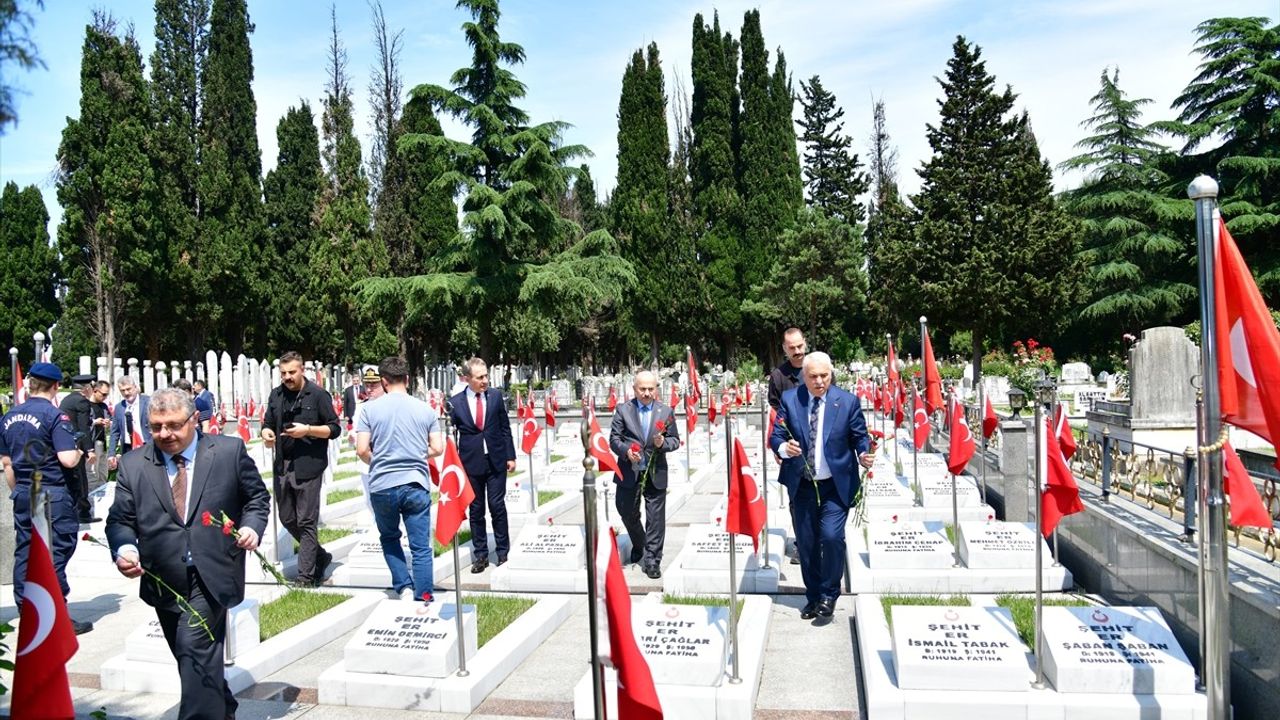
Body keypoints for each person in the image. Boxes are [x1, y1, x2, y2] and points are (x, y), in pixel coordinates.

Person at [106, 387, 270, 720]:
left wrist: (251, 527)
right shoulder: (134, 464)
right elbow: (120, 519)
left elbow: (256, 498)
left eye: (173, 425)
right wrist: (124, 548)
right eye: (156, 426)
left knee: (195, 649)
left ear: (194, 420)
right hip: (162, 577)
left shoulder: (228, 451)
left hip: (212, 574)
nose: (164, 434)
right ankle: (223, 708)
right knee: (191, 657)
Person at [769, 351, 873, 620]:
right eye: (813, 376)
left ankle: (829, 594)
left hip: (835, 485)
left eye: (824, 375)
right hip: (802, 484)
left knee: (831, 537)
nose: (819, 381)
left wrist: (864, 454)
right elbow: (777, 434)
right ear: (804, 376)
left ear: (831, 374)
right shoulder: (792, 400)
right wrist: (784, 447)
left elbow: (859, 436)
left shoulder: (847, 402)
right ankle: (813, 596)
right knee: (807, 543)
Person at [0, 362, 92, 633]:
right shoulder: (55, 416)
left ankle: (26, 609)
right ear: (55, 386)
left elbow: (8, 465)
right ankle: (54, 616)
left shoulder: (8, 417)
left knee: (25, 553)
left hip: (24, 493)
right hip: (52, 493)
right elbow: (66, 459)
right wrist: (79, 453)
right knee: (56, 553)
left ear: (30, 385)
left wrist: (18, 492)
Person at [355, 357, 444, 601]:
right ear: (407, 379)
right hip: (415, 482)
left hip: (383, 484)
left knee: (390, 537)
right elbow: (437, 447)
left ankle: (403, 586)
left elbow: (362, 449)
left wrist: (383, 460)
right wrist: (413, 453)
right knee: (420, 546)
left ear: (383, 382)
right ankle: (424, 594)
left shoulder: (369, 410)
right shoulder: (425, 409)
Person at [261, 351, 340, 587]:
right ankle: (320, 556)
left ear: (302, 370)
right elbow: (266, 423)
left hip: (308, 465)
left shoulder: (317, 395)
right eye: (283, 373)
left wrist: (308, 430)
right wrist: (266, 433)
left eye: (292, 372)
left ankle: (305, 577)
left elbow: (335, 429)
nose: (287, 377)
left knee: (306, 521)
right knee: (287, 519)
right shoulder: (276, 395)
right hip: (283, 465)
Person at [609, 370, 681, 579]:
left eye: (651, 389)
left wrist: (663, 443)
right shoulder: (623, 410)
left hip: (655, 470)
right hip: (629, 470)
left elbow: (675, 440)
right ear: (635, 389)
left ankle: (652, 560)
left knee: (655, 518)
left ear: (656, 389)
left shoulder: (666, 411)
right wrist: (626, 452)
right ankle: (639, 542)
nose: (647, 393)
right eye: (643, 389)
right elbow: (614, 439)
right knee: (626, 510)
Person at [448, 357, 516, 573]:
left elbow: (505, 427)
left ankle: (503, 551)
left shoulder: (495, 397)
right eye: (480, 377)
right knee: (476, 510)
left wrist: (510, 456)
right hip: (471, 462)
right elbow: (452, 434)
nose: (485, 380)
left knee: (497, 506)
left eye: (486, 376)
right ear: (467, 379)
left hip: (495, 460)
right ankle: (481, 555)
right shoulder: (456, 403)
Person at [59, 373, 99, 523]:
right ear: (87, 388)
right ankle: (83, 512)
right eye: (92, 388)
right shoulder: (82, 402)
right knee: (81, 478)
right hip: (77, 446)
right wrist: (89, 450)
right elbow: (84, 428)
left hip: (64, 444)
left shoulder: (67, 399)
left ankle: (74, 510)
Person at [108, 375, 151, 471]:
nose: (126, 393)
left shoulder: (148, 402)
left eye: (128, 389)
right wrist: (111, 454)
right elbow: (115, 432)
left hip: (146, 445)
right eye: (122, 390)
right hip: (128, 448)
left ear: (135, 387)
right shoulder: (119, 407)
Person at [768, 327, 807, 411]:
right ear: (784, 348)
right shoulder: (777, 377)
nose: (797, 351)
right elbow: (775, 410)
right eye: (792, 348)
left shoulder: (821, 370)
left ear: (805, 342)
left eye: (799, 346)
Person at [89, 379, 112, 493]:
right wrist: (94, 422)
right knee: (93, 474)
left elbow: (111, 420)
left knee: (103, 473)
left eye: (107, 394)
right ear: (95, 391)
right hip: (93, 443)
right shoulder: (86, 405)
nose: (105, 397)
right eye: (103, 394)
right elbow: (83, 424)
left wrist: (109, 423)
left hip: (103, 442)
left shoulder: (103, 406)